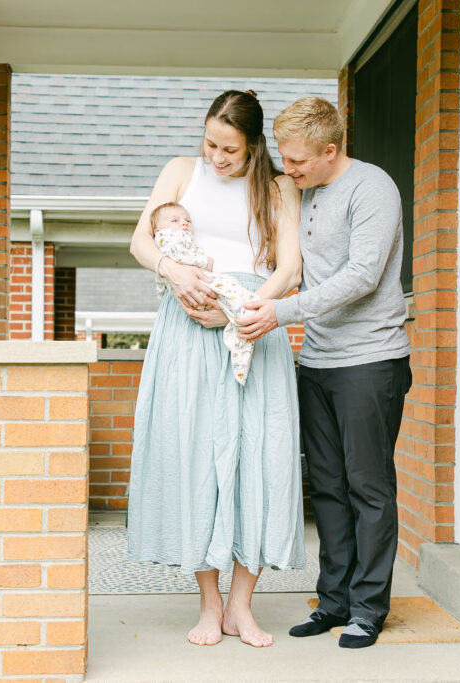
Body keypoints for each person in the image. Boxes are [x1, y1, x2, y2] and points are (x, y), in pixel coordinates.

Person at [127, 89, 305, 648]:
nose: (217, 158)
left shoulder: (277, 188)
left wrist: (245, 311)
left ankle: (241, 608)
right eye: (210, 144)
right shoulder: (181, 172)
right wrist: (175, 274)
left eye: (229, 149)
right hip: (186, 327)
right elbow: (140, 240)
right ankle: (208, 605)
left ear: (254, 148)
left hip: (251, 328)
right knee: (195, 459)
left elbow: (290, 266)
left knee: (261, 461)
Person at [237, 96, 413, 649]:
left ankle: (368, 608)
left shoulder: (373, 188)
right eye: (285, 160)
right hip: (316, 361)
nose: (288, 171)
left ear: (330, 150)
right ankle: (333, 601)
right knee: (330, 491)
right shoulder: (307, 192)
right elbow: (296, 268)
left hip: (369, 363)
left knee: (369, 489)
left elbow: (361, 275)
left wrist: (280, 313)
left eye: (297, 162)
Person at [151, 201, 262, 385]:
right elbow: (179, 257)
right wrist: (204, 261)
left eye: (187, 220)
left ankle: (239, 323)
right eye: (175, 220)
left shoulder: (180, 237)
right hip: (196, 285)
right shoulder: (167, 238)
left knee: (232, 295)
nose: (184, 223)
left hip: (197, 286)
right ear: (158, 229)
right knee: (233, 290)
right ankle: (242, 319)